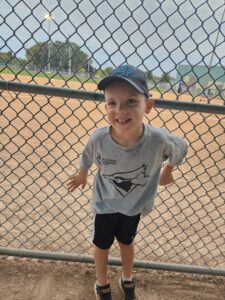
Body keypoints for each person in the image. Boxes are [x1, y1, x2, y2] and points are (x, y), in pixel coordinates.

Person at [67, 64, 188, 300]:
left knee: (126, 242)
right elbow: (87, 156)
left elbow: (181, 147)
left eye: (131, 101)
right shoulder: (100, 138)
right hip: (105, 205)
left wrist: (169, 170)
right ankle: (102, 283)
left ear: (148, 105)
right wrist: (82, 173)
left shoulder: (158, 139)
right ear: (106, 106)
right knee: (102, 246)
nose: (120, 110)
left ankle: (127, 278)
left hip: (133, 207)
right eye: (112, 103)